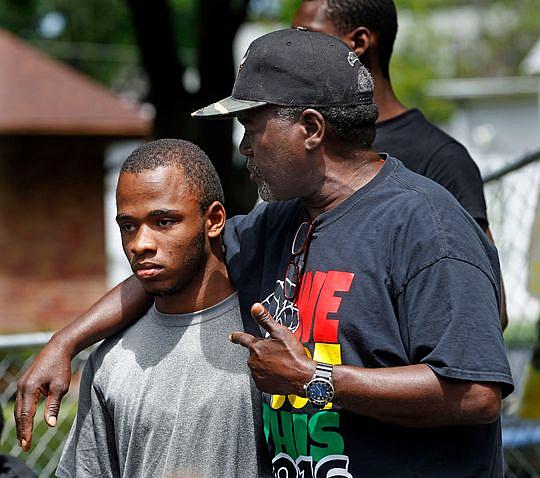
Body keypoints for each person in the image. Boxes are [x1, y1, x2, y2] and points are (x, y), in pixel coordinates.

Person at [16, 29, 512, 477]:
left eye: (253, 126)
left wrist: (313, 379)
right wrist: (64, 343)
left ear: (312, 128)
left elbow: (475, 395)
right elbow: (172, 260)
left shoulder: (426, 226)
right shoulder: (278, 221)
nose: (244, 146)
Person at [56, 139, 269, 477]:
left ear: (213, 219)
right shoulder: (110, 361)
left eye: (164, 222)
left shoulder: (269, 339)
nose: (140, 244)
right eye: (128, 226)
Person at [292, 0, 508, 329]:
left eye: (308, 37)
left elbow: (489, 306)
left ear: (359, 42)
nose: (291, 52)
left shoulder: (439, 158)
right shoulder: (298, 148)